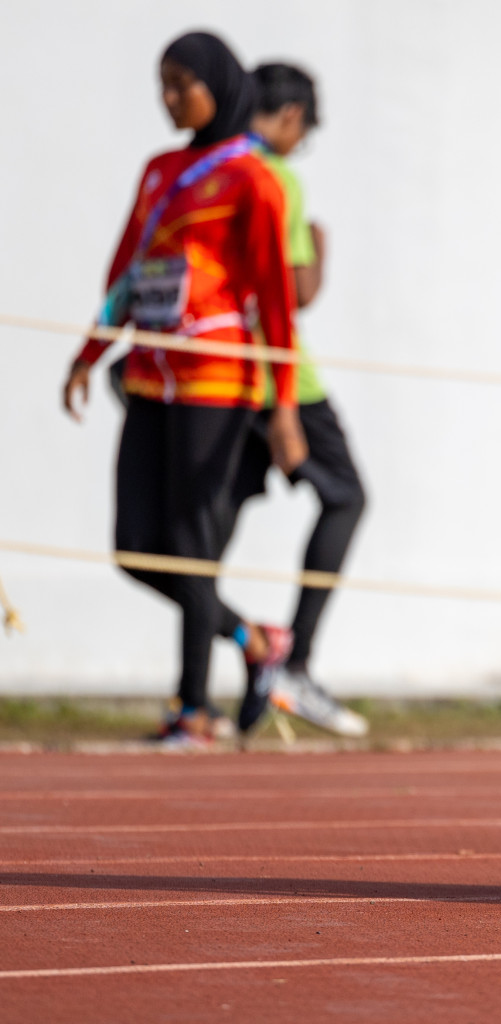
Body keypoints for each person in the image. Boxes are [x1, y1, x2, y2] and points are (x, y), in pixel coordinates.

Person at [63, 31, 306, 747]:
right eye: (162, 84)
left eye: (181, 84)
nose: (169, 98)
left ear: (218, 85)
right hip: (150, 378)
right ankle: (254, 638)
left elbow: (273, 299)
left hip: (218, 380)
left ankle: (192, 709)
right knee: (135, 546)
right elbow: (129, 275)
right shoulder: (158, 170)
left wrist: (284, 402)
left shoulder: (251, 177)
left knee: (191, 549)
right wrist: (89, 352)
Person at [223, 62, 368, 738]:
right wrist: (321, 253)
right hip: (281, 379)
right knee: (347, 497)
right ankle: (293, 663)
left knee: (205, 534)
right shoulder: (274, 177)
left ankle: (192, 700)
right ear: (290, 118)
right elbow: (289, 293)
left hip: (219, 379)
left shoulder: (209, 169)